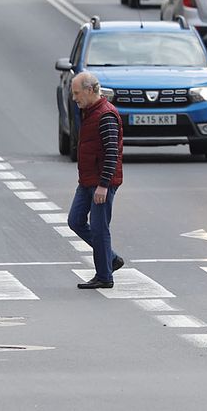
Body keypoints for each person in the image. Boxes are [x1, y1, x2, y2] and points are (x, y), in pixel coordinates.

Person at [68, 72, 125, 289]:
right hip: (87, 180)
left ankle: (104, 277)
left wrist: (103, 185)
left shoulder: (105, 115)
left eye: (77, 93)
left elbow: (112, 153)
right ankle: (110, 258)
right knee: (75, 220)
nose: (74, 98)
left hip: (101, 183)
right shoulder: (90, 111)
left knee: (100, 229)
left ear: (90, 90)